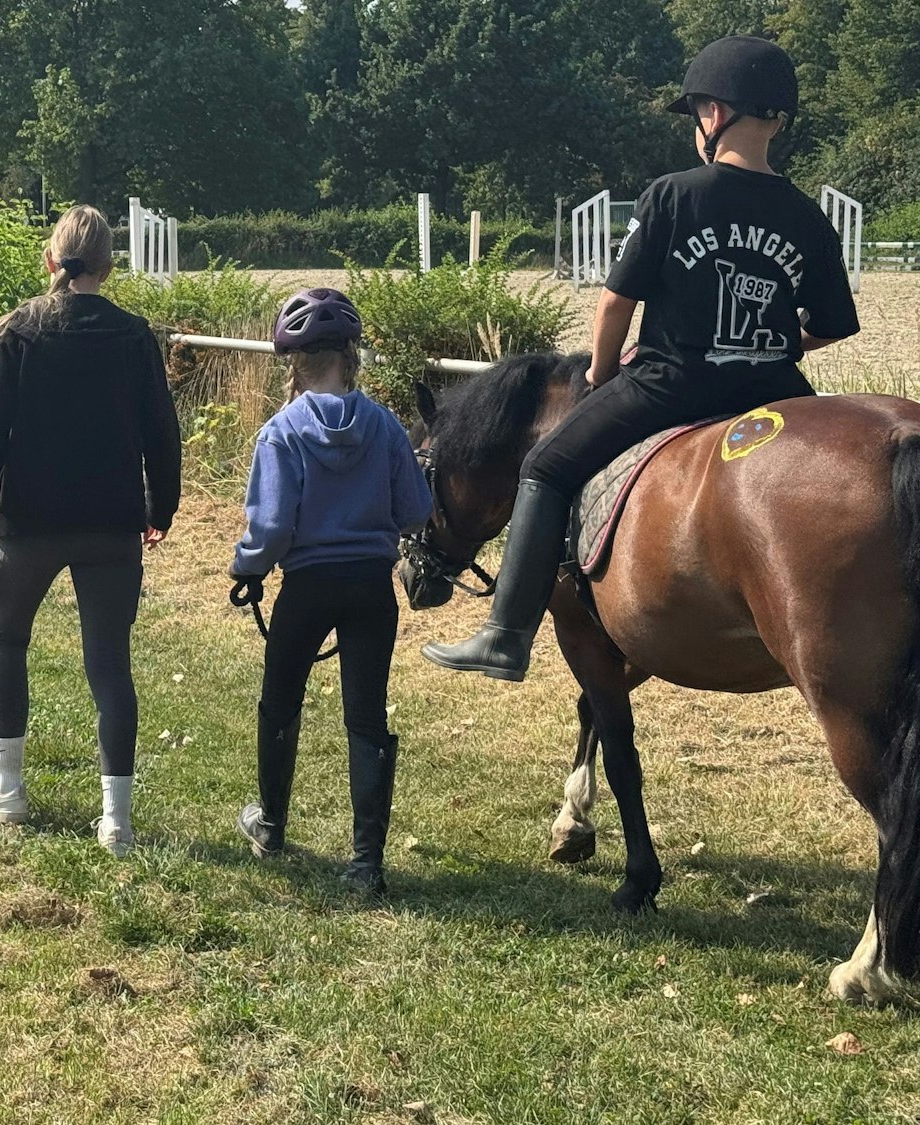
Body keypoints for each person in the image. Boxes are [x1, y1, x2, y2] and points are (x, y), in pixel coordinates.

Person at [423, 35, 859, 682]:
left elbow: (614, 308)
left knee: (545, 464)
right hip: (775, 391)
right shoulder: (807, 215)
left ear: (716, 114)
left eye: (697, 114)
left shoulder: (672, 196)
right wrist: (770, 347)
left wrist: (599, 376)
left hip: (673, 384)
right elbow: (833, 327)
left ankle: (505, 636)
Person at [0, 204, 182, 857]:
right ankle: (117, 820)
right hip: (112, 523)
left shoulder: (17, 334)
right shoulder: (135, 336)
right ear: (110, 266)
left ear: (50, 260)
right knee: (110, 663)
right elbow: (161, 437)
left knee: (8, 636)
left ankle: (8, 788)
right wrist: (159, 511)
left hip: (29, 525)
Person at [229, 289, 432, 894]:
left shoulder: (280, 433)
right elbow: (415, 511)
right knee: (366, 714)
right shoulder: (387, 427)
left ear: (294, 363)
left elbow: (270, 528)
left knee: (280, 699)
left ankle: (270, 823)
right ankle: (367, 861)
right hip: (371, 586)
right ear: (351, 356)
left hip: (307, 587)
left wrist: (246, 569)